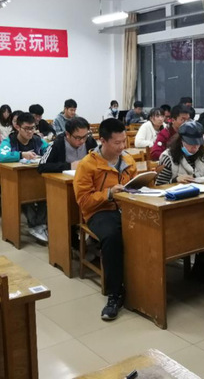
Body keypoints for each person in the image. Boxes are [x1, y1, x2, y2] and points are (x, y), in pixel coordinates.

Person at [73, 118, 138, 321]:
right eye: (117, 142)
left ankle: (143, 283)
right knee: (112, 237)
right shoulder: (88, 165)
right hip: (99, 211)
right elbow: (84, 201)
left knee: (148, 229)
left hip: (125, 207)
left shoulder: (128, 161)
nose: (122, 146)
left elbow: (136, 186)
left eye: (124, 141)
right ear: (102, 140)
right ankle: (114, 293)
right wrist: (108, 194)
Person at [155, 121, 204, 282]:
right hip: (175, 206)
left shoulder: (201, 156)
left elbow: (203, 175)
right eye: (191, 145)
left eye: (197, 145)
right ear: (181, 141)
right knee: (202, 221)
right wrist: (175, 179)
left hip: (199, 201)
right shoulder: (168, 157)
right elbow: (158, 186)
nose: (194, 148)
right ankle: (202, 266)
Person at [0, 112, 49, 243]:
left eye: (32, 128)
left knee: (44, 194)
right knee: (26, 195)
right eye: (26, 128)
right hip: (18, 180)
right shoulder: (9, 141)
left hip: (37, 177)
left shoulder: (37, 140)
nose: (30, 132)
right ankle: (36, 226)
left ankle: (39, 226)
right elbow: (1, 157)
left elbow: (50, 151)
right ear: (18, 127)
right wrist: (21, 155)